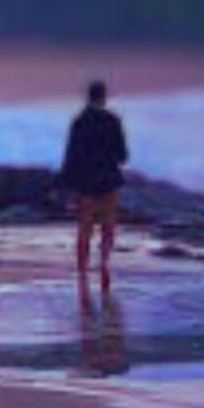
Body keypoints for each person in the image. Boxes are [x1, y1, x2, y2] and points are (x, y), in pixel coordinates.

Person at [59, 79, 129, 289]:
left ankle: (82, 269)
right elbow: (122, 154)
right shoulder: (112, 120)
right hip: (108, 178)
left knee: (85, 226)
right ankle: (104, 263)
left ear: (88, 97)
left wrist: (64, 182)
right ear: (104, 97)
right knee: (108, 224)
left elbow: (71, 154)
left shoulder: (79, 121)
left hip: (86, 181)